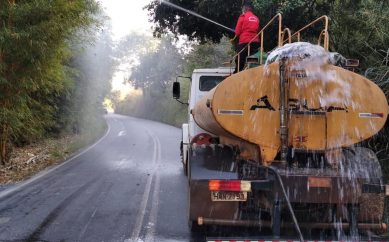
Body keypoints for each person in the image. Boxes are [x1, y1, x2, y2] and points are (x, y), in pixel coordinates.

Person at [234, 0, 260, 73]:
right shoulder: (256, 18)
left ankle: (237, 72)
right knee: (252, 56)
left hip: (245, 41)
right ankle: (252, 69)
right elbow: (257, 29)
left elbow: (237, 32)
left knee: (239, 59)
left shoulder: (243, 16)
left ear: (245, 8)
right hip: (255, 41)